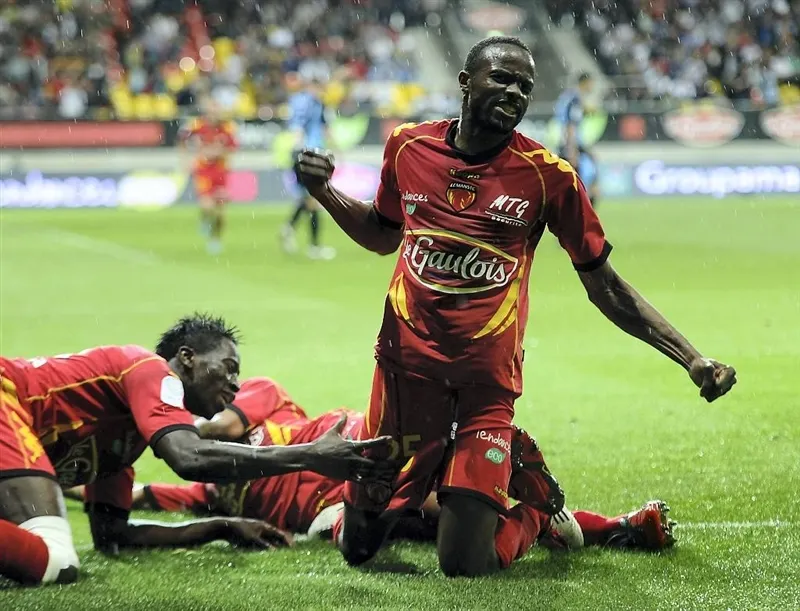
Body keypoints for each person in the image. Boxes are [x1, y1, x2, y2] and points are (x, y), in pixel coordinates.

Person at [294, 35, 737, 577]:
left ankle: (536, 513)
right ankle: (457, 478)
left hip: (483, 388)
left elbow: (606, 287)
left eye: (524, 86)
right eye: (501, 78)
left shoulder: (549, 177)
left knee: (464, 565)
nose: (514, 92)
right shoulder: (408, 148)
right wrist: (325, 193)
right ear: (465, 83)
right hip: (402, 378)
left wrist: (690, 357)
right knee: (359, 547)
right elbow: (383, 234)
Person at [65, 375, 675, 552]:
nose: (227, 387)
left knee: (443, 500)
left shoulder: (258, 395)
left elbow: (218, 429)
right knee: (432, 520)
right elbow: (140, 499)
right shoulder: (212, 490)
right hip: (336, 509)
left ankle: (545, 514)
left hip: (367, 444)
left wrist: (162, 423)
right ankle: (589, 523)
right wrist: (62, 483)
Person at [0, 314, 392, 586]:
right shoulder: (148, 369)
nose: (235, 383)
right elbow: (188, 458)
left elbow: (113, 535)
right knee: (55, 558)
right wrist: (309, 455)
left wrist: (219, 527)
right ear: (187, 358)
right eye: (228, 367)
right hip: (6, 398)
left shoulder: (122, 446)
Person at [280, 74, 337, 260]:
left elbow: (299, 125)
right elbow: (311, 127)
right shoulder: (312, 103)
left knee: (308, 199)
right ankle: (314, 247)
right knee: (314, 200)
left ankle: (289, 229)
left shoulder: (298, 101)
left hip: (301, 154)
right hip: (309, 154)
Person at [179, 97, 238, 255]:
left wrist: (218, 152)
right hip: (204, 171)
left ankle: (215, 239)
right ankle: (205, 219)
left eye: (216, 111)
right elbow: (182, 139)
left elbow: (232, 148)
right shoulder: (197, 125)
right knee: (207, 205)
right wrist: (184, 160)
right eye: (211, 111)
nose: (214, 114)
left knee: (220, 213)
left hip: (220, 172)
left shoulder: (228, 127)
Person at [554, 72, 600, 206]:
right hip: (570, 144)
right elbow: (570, 125)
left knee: (570, 180)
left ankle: (580, 209)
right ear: (585, 83)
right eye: (591, 83)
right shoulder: (575, 99)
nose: (592, 87)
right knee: (588, 175)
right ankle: (584, 210)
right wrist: (572, 150)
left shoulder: (569, 97)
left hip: (567, 143)